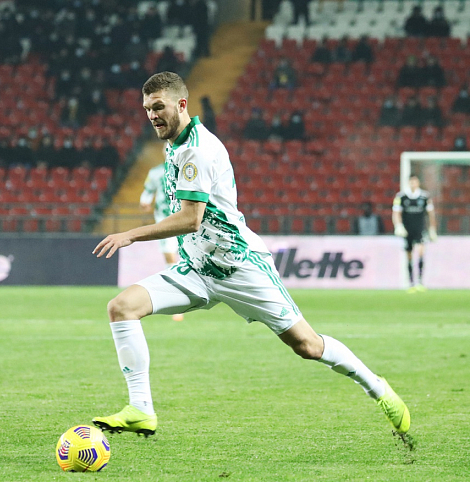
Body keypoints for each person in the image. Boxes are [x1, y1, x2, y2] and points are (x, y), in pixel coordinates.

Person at [91, 71, 410, 438]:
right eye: (147, 108)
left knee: (307, 345)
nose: (152, 115)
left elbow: (192, 218)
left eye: (159, 107)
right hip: (199, 269)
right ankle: (141, 409)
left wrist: (130, 235)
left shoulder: (197, 149)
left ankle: (377, 387)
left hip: (239, 266)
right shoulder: (174, 145)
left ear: (182, 104)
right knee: (121, 307)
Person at [139, 163, 184, 322]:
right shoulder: (156, 172)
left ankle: (181, 294)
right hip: (163, 219)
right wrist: (145, 200)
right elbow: (148, 189)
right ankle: (176, 297)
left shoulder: (185, 168)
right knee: (170, 257)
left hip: (185, 219)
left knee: (181, 258)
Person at [392, 175, 437, 293]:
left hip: (420, 229)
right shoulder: (401, 196)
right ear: (409, 183)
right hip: (407, 230)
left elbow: (431, 213)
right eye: (411, 182)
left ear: (418, 183)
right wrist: (398, 226)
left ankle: (420, 282)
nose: (413, 184)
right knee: (409, 255)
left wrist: (432, 229)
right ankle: (411, 283)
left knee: (421, 253)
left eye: (415, 182)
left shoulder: (425, 196)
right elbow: (396, 213)